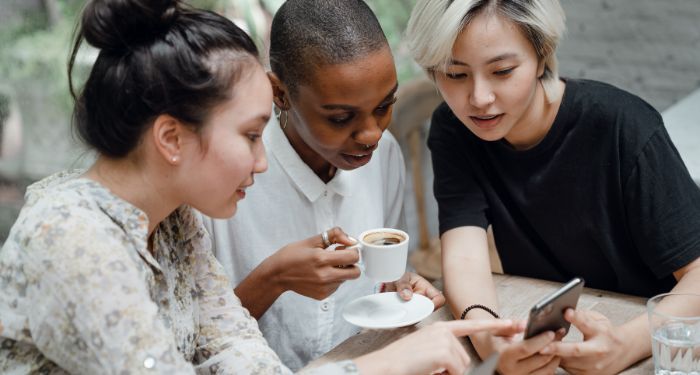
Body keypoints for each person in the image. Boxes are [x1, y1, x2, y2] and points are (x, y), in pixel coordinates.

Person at [0, 0, 524, 373]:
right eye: (252, 135)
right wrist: (378, 368)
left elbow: (232, 352)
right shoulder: (71, 238)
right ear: (171, 137)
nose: (264, 160)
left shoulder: (175, 222)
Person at [405, 0, 700, 374]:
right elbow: (464, 254)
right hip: (546, 326)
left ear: (542, 56)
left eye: (502, 71)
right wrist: (489, 339)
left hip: (656, 338)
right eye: (455, 74)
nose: (479, 99)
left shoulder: (623, 126)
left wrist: (624, 347)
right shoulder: (455, 129)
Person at [202, 0, 444, 370]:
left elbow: (383, 288)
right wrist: (273, 279)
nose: (371, 135)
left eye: (384, 106)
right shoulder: (224, 178)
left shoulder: (385, 157)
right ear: (279, 94)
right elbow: (192, 344)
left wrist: (401, 288)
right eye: (341, 117)